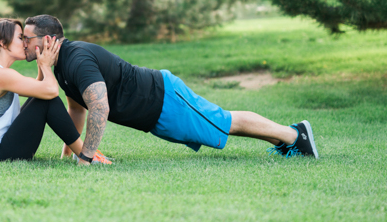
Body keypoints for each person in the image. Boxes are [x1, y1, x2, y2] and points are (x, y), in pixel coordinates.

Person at [21, 15, 318, 165]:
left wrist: (86, 157)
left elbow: (100, 107)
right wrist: (72, 154)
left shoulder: (78, 60)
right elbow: (76, 108)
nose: (23, 43)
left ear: (48, 39)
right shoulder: (58, 64)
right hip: (153, 114)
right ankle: (289, 142)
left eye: (27, 38)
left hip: (163, 99)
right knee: (221, 125)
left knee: (225, 122)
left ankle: (295, 135)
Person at [0, 18, 111, 163]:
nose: (25, 43)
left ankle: (81, 153)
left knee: (41, 99)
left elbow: (39, 90)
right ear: (3, 43)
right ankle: (87, 156)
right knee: (48, 101)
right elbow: (51, 91)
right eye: (20, 38)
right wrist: (46, 66)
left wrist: (40, 64)